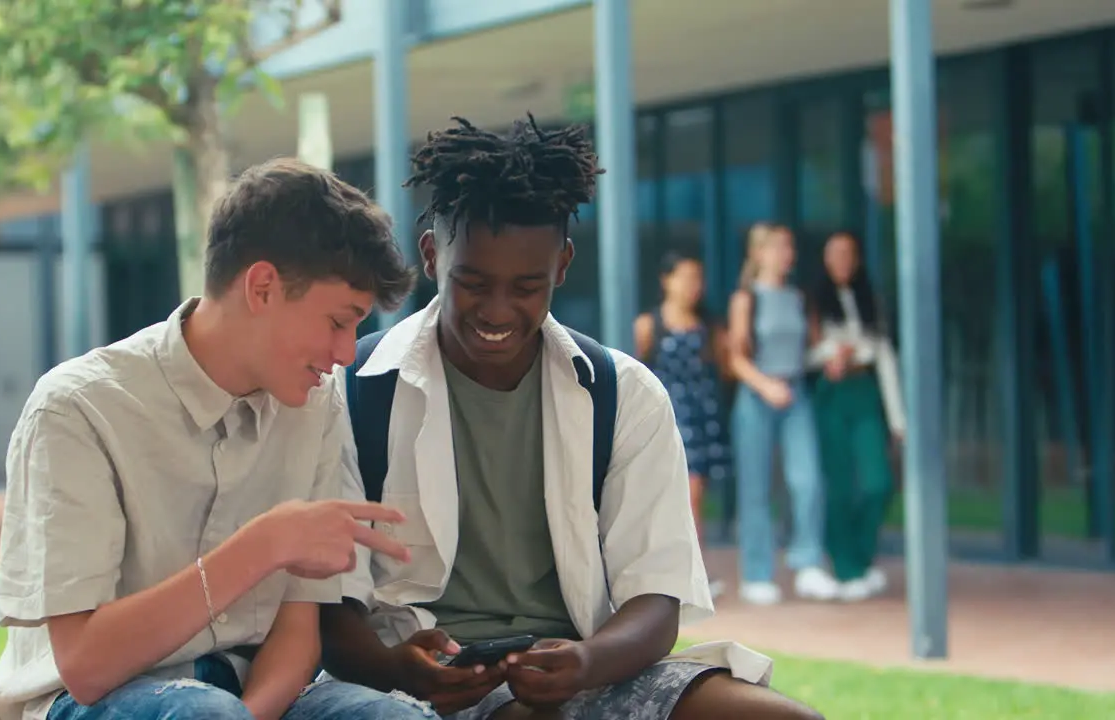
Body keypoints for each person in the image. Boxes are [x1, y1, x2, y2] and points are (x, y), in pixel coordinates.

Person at [304, 115, 822, 719]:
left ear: (563, 265)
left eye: (527, 286)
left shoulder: (624, 394)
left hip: (588, 672)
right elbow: (326, 609)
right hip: (417, 689)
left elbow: (658, 599)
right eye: (472, 282)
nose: (497, 311)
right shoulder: (354, 392)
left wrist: (585, 662)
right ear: (430, 256)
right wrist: (396, 668)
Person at [0, 157, 437, 720]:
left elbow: (297, 638)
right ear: (262, 287)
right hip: (91, 699)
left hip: (254, 693)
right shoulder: (77, 407)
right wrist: (266, 544)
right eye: (338, 322)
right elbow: (86, 666)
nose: (345, 353)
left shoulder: (316, 401)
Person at [727, 223, 839, 606]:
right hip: (758, 397)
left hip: (795, 395)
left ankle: (808, 563)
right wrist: (765, 386)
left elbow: (813, 347)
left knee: (807, 480)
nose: (785, 254)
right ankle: (757, 574)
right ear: (758, 253)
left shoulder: (798, 297)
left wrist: (833, 355)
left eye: (789, 246)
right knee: (755, 489)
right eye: (777, 247)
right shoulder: (746, 299)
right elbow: (736, 359)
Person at [807, 230, 904, 602]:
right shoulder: (813, 302)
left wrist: (897, 419)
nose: (841, 261)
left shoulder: (871, 302)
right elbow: (804, 353)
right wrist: (831, 353)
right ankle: (847, 568)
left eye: (847, 253)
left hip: (865, 391)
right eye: (834, 254)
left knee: (878, 482)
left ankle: (862, 559)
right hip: (832, 392)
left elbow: (885, 360)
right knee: (840, 483)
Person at [634, 252, 732, 597]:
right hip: (669, 417)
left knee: (694, 495)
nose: (693, 287)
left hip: (702, 415)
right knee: (679, 495)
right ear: (667, 280)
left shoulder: (710, 327)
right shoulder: (649, 325)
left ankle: (693, 573)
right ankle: (682, 574)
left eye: (697, 278)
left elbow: (725, 367)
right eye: (685, 277)